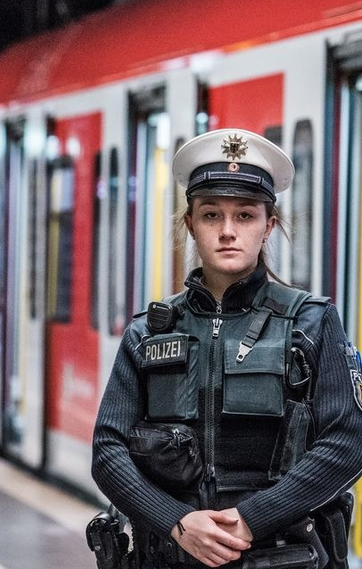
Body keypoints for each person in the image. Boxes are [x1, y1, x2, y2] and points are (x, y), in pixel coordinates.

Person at [91, 128, 362, 569]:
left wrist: (252, 520)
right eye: (212, 215)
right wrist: (177, 521)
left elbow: (348, 441)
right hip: (173, 556)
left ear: (268, 225)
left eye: (246, 216)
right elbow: (108, 451)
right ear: (191, 225)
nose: (228, 232)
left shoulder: (313, 322)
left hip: (281, 556)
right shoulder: (148, 333)